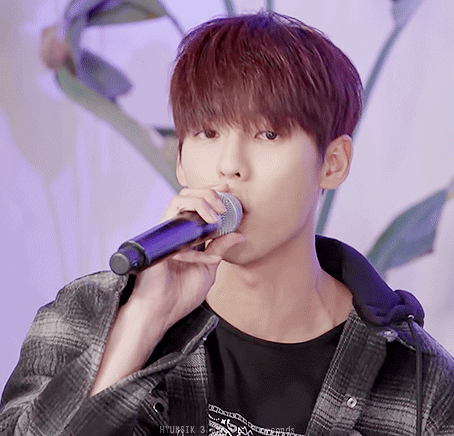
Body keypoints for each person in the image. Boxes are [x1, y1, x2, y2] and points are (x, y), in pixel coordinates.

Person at [1, 11, 454, 436]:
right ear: (181, 159)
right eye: (208, 133)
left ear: (332, 163)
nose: (230, 165)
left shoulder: (419, 378)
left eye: (267, 134)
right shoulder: (87, 314)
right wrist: (141, 324)